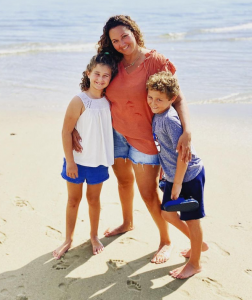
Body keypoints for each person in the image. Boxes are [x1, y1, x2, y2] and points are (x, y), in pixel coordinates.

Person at [72, 15, 199, 264]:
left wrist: (187, 130)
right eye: (115, 40)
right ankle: (127, 222)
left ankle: (166, 240)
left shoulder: (155, 61)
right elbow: (93, 89)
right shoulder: (113, 62)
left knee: (149, 193)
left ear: (134, 32)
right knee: (123, 183)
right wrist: (76, 124)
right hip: (116, 134)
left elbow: (178, 98)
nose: (121, 43)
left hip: (145, 138)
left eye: (124, 36)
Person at [53, 53, 118, 259]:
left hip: (98, 161)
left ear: (110, 78)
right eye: (97, 74)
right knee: (73, 200)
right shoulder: (79, 100)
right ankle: (68, 239)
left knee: (94, 200)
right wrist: (70, 162)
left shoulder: (109, 101)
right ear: (88, 73)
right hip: (77, 162)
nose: (100, 79)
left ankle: (93, 235)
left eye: (106, 76)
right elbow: (66, 131)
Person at [146, 71, 207, 279]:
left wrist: (178, 183)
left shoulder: (170, 120)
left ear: (172, 99)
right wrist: (165, 168)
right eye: (150, 97)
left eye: (159, 99)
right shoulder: (158, 114)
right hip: (174, 176)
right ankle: (198, 244)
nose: (153, 103)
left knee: (192, 220)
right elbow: (167, 148)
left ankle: (195, 262)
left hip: (188, 175)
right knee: (168, 213)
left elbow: (183, 155)